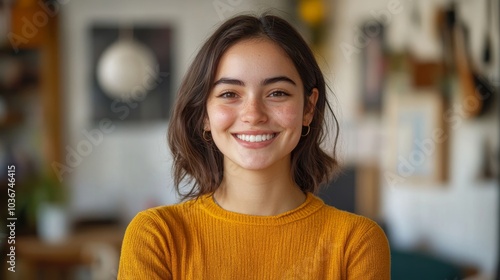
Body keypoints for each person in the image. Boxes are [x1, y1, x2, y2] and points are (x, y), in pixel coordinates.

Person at [118, 13, 390, 279]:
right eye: (229, 94)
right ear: (203, 114)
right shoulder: (156, 236)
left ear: (308, 107)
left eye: (277, 93)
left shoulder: (357, 242)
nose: (253, 114)